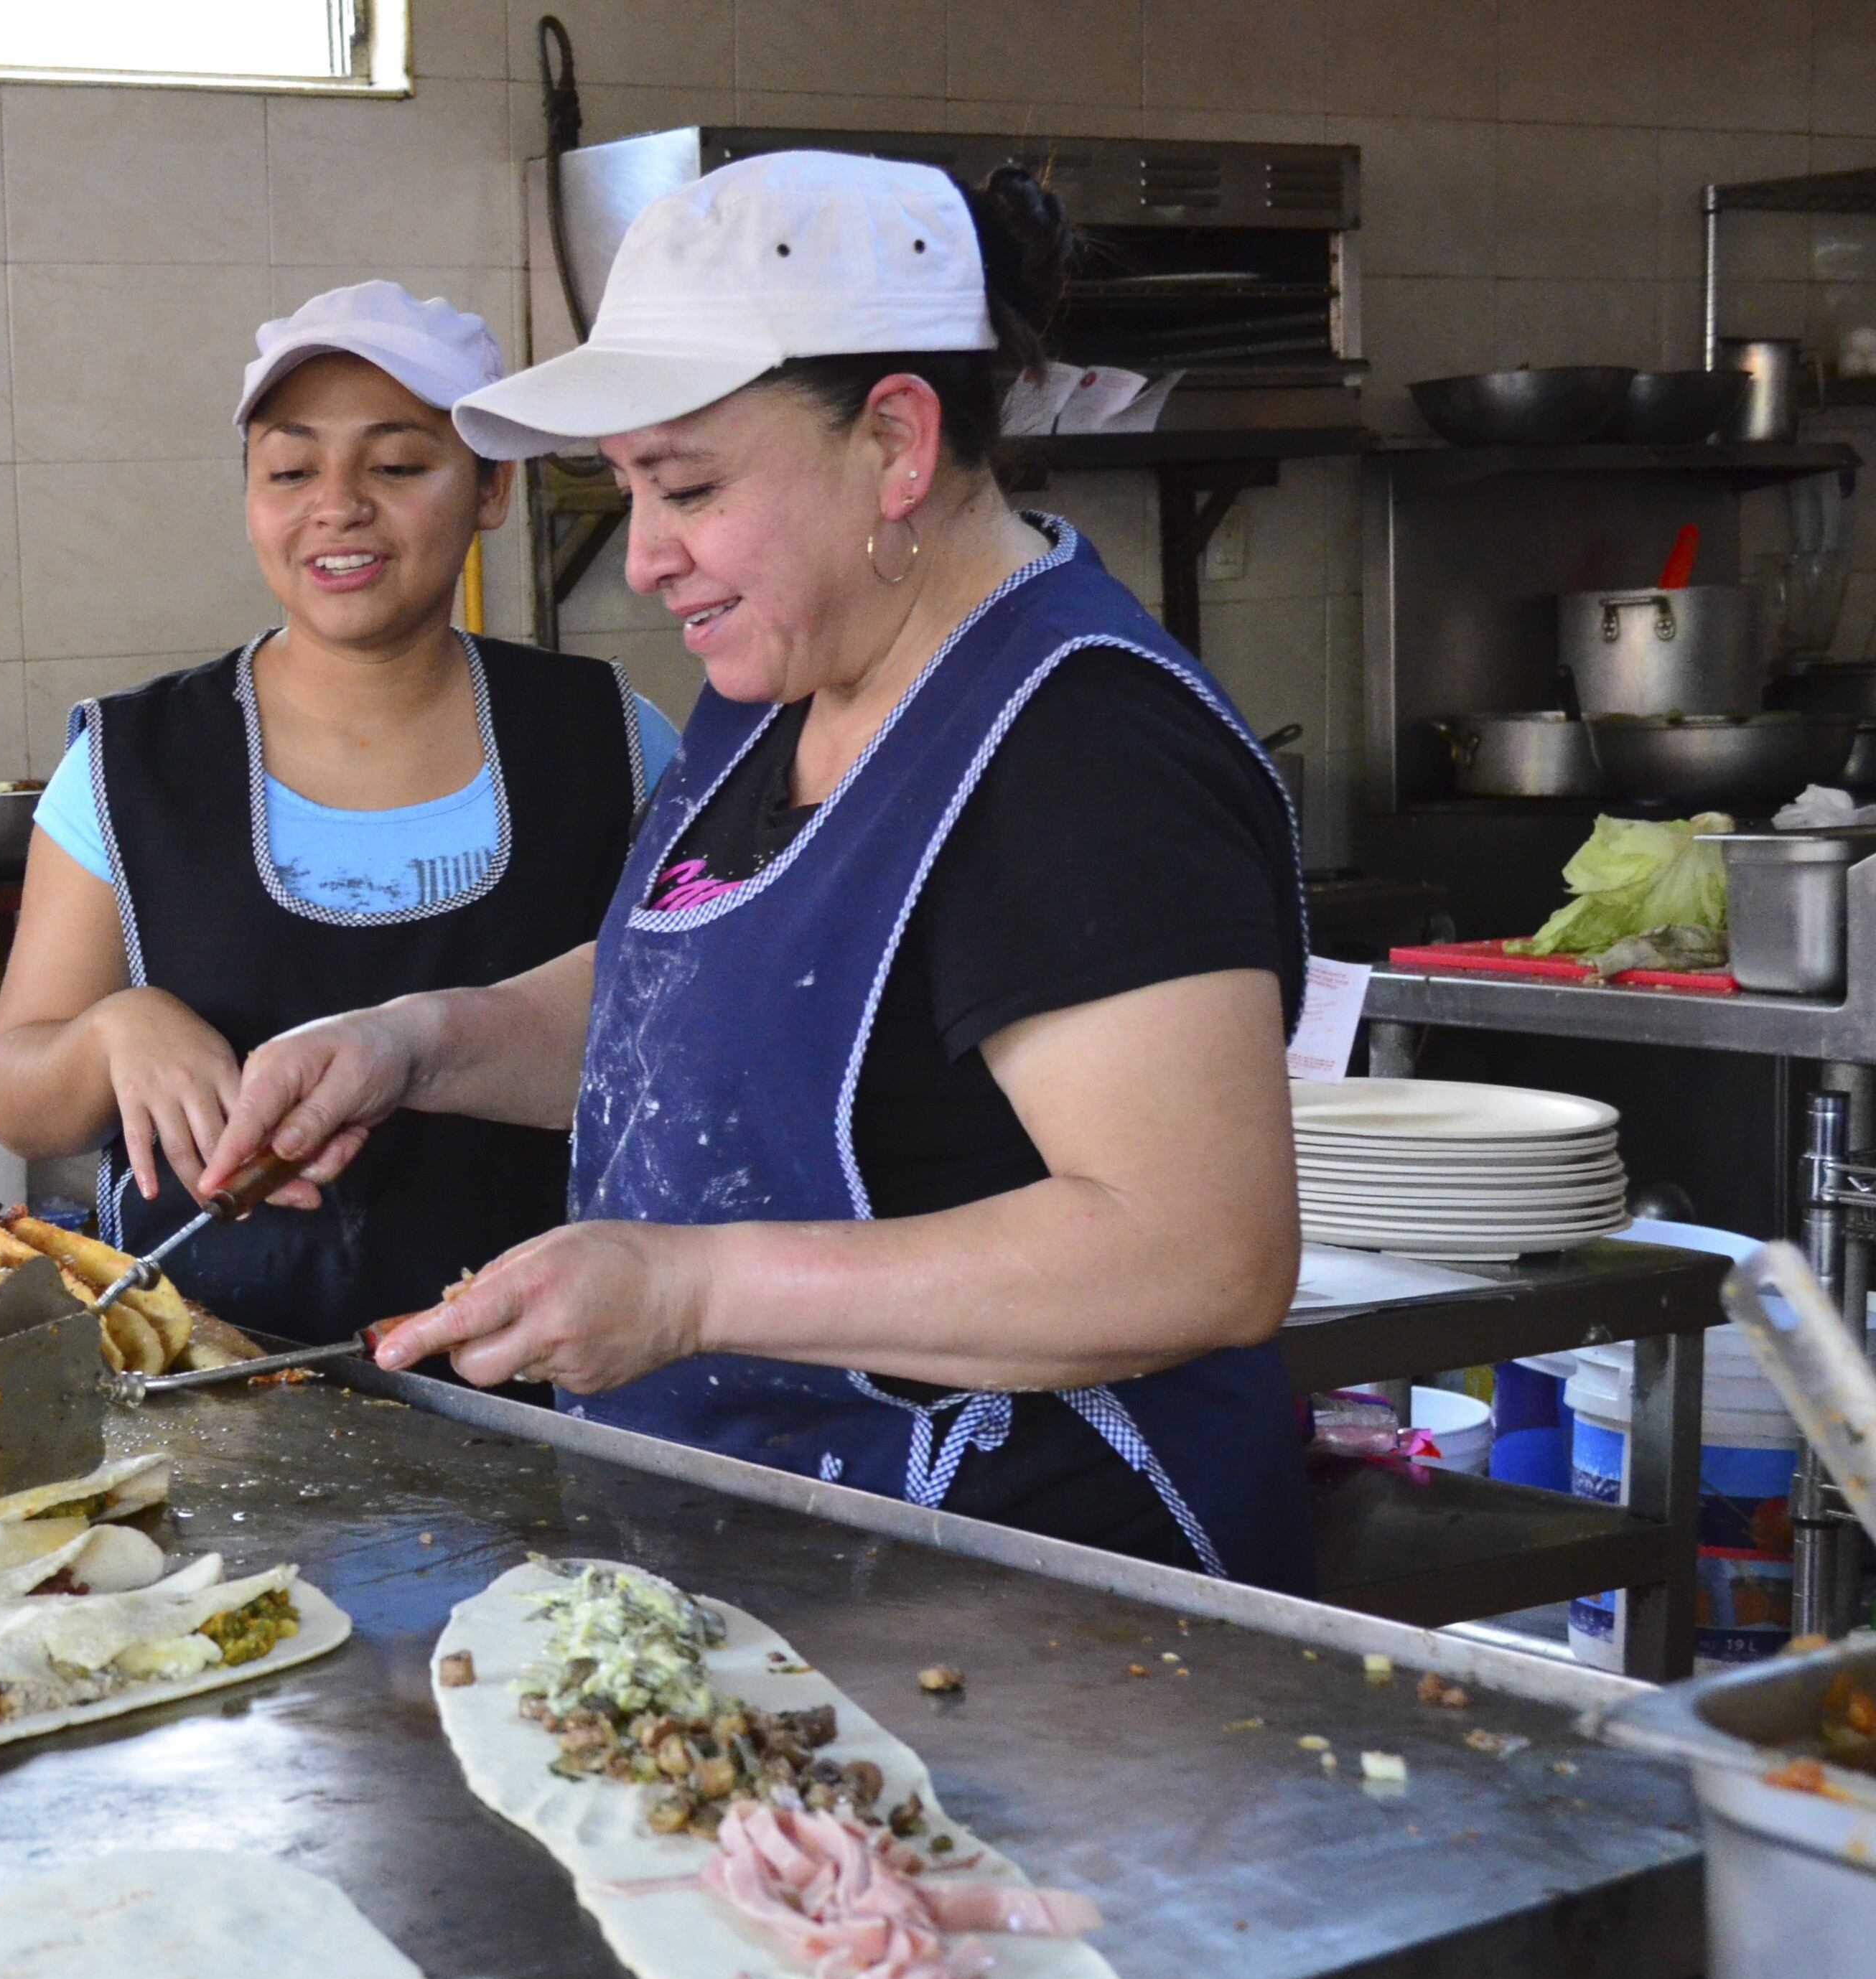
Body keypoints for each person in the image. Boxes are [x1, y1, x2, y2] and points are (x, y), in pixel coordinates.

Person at [200, 154, 1315, 1590]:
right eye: (627, 489)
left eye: (687, 488)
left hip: (1042, 1623)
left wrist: (686, 1287)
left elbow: (1195, 1251)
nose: (649, 558)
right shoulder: (775, 689)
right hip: (760, 1571)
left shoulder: (1079, 746)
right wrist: (416, 1043)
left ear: (897, 445)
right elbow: (707, 1010)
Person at [0, 284, 682, 1340]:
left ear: (491, 487)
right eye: (291, 470)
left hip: (553, 1371)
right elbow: (19, 1095)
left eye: (398, 467)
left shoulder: (616, 743)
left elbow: (683, 1032)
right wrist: (113, 1032)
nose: (338, 506)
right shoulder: (132, 765)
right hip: (216, 1381)